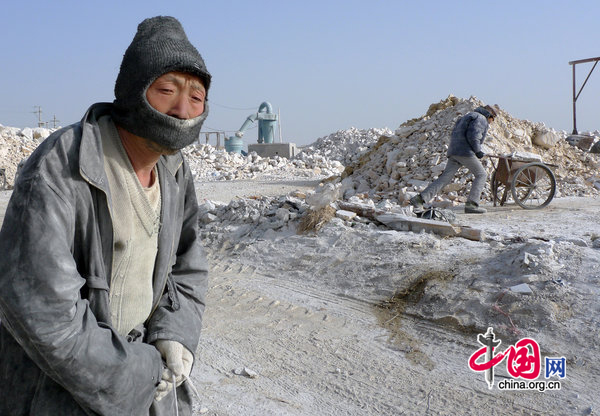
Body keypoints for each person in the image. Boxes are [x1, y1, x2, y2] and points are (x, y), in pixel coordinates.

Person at [0, 16, 210, 415]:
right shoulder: (62, 165)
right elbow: (44, 314)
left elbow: (187, 263)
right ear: (134, 90)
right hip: (58, 392)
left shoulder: (174, 170)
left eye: (197, 97)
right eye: (167, 90)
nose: (184, 110)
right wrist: (142, 370)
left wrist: (174, 335)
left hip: (141, 383)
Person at [410, 105, 497, 214]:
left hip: (454, 151)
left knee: (445, 178)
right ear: (489, 115)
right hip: (465, 152)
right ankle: (472, 205)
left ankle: (419, 200)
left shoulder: (467, 116)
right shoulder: (481, 119)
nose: (491, 122)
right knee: (481, 174)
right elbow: (474, 136)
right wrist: (478, 151)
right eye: (492, 119)